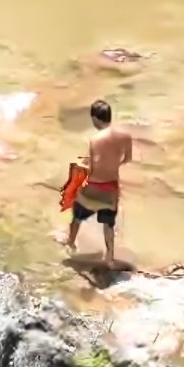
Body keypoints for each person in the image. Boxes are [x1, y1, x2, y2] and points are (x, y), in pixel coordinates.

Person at [65, 99, 132, 269]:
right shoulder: (125, 136)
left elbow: (93, 168)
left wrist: (80, 179)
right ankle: (109, 258)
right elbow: (127, 159)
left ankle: (70, 244)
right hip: (112, 187)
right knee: (108, 223)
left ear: (95, 118)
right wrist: (113, 165)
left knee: (77, 215)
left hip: (95, 186)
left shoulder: (95, 139)